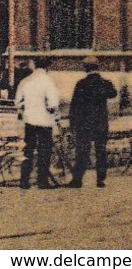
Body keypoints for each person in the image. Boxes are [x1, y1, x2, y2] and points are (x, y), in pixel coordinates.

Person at [67, 56, 119, 189]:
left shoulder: (81, 84)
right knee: (101, 151)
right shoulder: (105, 83)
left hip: (84, 124)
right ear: (98, 67)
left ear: (85, 68)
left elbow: (75, 106)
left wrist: (73, 123)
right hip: (101, 123)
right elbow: (113, 93)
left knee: (82, 151)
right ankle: (100, 180)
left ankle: (77, 180)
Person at [16, 56, 63, 190]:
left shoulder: (26, 81)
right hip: (44, 122)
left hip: (29, 121)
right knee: (44, 151)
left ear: (35, 66)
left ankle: (24, 180)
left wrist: (29, 107)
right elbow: (53, 104)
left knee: (28, 150)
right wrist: (49, 110)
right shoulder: (48, 82)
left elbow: (18, 102)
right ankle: (42, 181)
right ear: (47, 67)